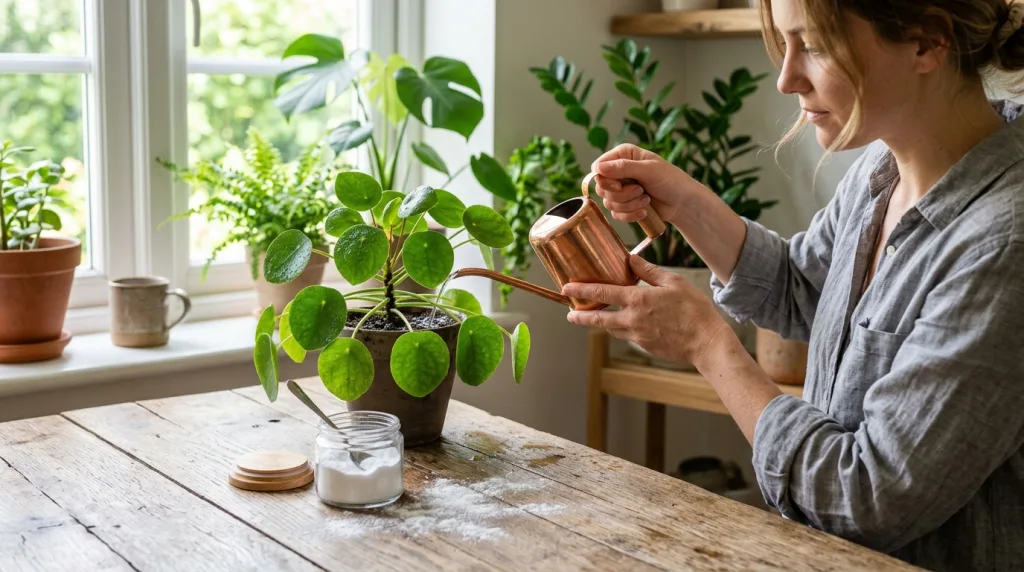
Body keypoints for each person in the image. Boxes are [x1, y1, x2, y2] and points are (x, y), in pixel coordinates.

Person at [563, 0, 1024, 569]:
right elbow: (802, 289)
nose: (786, 79)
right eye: (786, 44)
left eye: (816, 46)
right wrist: (686, 202)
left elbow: (866, 497)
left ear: (927, 42)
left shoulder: (1003, 243)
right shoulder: (881, 176)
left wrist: (708, 347)